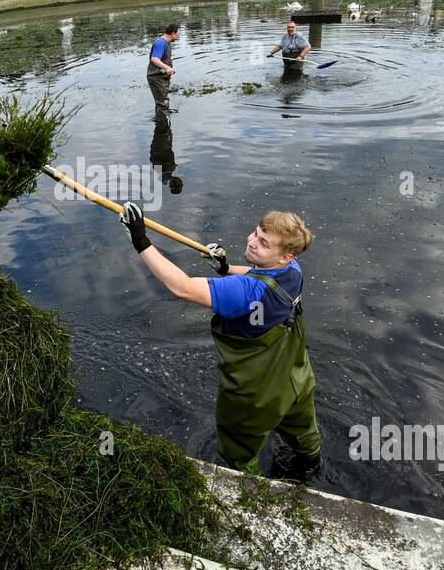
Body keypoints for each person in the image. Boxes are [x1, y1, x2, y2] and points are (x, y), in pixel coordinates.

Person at [118, 203, 321, 479]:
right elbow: (259, 274)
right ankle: (312, 466)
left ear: (284, 256)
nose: (252, 242)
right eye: (256, 233)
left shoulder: (246, 293)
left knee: (239, 458)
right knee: (304, 433)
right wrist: (225, 268)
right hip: (297, 381)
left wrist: (140, 240)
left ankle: (250, 497)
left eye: (263, 243)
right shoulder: (293, 270)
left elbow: (183, 287)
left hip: (254, 399)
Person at [147, 24, 180, 117]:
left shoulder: (167, 43)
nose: (178, 37)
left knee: (163, 101)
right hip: (156, 77)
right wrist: (167, 68)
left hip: (162, 77)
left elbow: (166, 61)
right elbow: (154, 59)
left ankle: (164, 117)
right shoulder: (160, 43)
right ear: (172, 33)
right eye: (177, 34)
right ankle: (162, 126)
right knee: (161, 103)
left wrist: (169, 78)